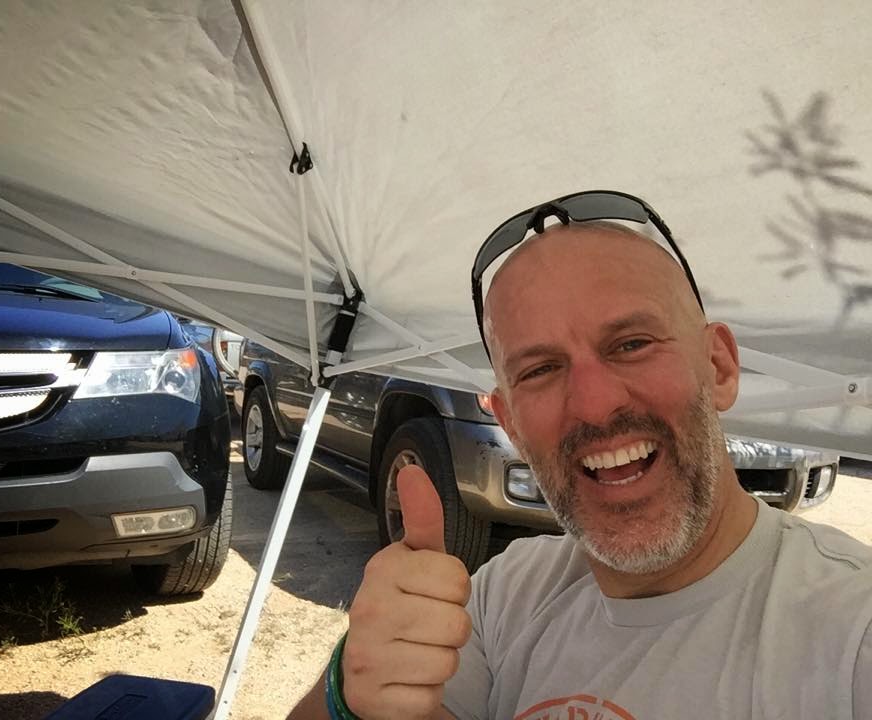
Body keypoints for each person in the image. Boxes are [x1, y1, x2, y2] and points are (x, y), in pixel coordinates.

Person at [288, 193, 872, 720]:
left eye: (632, 344)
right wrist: (350, 694)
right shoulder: (502, 595)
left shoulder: (852, 632)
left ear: (718, 367)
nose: (594, 404)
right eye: (541, 370)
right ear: (511, 424)